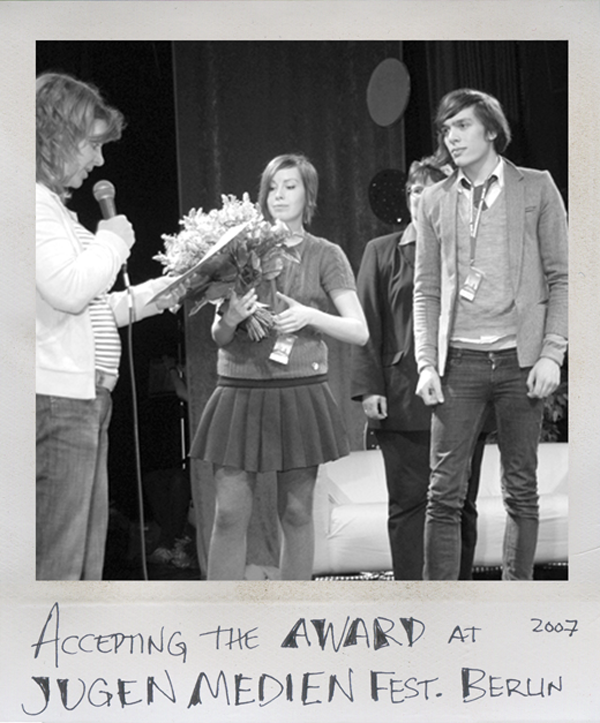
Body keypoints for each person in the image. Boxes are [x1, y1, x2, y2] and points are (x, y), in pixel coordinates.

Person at [189, 153, 369, 580]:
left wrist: (310, 316)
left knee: (296, 512)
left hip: (299, 392)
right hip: (240, 390)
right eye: (272, 187)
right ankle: (219, 614)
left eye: (290, 186)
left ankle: (293, 611)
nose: (279, 195)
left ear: (308, 195)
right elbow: (219, 334)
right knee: (229, 513)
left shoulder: (325, 254)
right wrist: (231, 319)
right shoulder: (239, 250)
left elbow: (358, 330)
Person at [413, 89, 568, 580]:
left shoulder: (537, 187)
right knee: (443, 494)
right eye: (446, 129)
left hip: (521, 360)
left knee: (521, 490)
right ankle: (440, 606)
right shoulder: (435, 199)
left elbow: (563, 278)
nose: (451, 137)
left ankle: (514, 601)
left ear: (492, 131)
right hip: (458, 362)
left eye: (462, 126)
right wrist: (426, 362)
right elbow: (426, 290)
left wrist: (553, 353)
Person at [36, 72, 175, 580]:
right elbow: (70, 290)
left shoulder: (56, 211)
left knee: (82, 560)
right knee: (59, 561)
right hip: (57, 400)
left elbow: (96, 309)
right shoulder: (30, 204)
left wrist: (173, 289)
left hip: (83, 398)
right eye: (92, 144)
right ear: (55, 134)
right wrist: (113, 238)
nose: (98, 161)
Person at [351, 157, 487, 581]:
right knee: (409, 503)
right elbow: (366, 323)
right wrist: (370, 387)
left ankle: (456, 599)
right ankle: (413, 598)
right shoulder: (381, 251)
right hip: (403, 396)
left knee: (460, 503)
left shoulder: (472, 251)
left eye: (431, 191)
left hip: (465, 392)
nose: (420, 198)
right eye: (414, 191)